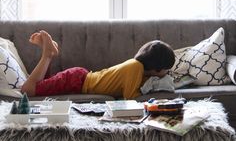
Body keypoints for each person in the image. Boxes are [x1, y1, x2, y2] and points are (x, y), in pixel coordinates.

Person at [21, 30, 175, 99]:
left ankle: (50, 54)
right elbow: (131, 97)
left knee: (40, 86)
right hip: (77, 81)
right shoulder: (136, 67)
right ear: (157, 67)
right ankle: (47, 54)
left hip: (80, 78)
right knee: (27, 90)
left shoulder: (138, 69)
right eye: (167, 70)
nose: (167, 73)